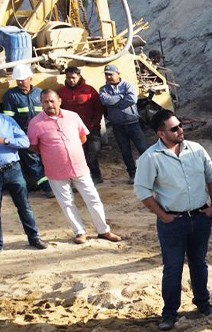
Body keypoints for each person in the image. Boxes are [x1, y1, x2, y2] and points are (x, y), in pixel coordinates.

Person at [134, 109, 212, 331]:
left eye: (180, 125)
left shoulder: (197, 150)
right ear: (161, 133)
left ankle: (203, 303)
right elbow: (142, 191)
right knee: (173, 267)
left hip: (201, 217)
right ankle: (169, 313)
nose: (180, 130)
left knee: (199, 262)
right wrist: (163, 216)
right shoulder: (150, 158)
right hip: (173, 222)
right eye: (174, 128)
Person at [27, 90, 122, 245]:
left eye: (52, 101)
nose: (49, 105)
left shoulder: (73, 117)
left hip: (79, 167)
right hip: (56, 170)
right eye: (45, 102)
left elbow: (82, 137)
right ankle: (79, 232)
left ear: (59, 101)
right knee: (67, 202)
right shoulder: (35, 123)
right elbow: (34, 147)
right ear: (41, 103)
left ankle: (103, 230)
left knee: (93, 198)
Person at [0, 114, 48, 250]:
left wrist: (6, 141)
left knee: (24, 206)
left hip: (13, 170)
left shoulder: (7, 121)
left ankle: (34, 238)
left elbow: (25, 142)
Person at [3, 64, 52, 197]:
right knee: (33, 161)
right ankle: (47, 188)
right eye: (18, 80)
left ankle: (46, 183)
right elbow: (8, 120)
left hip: (43, 133)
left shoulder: (39, 94)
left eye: (23, 79)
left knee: (47, 159)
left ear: (30, 78)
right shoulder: (11, 96)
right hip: (24, 135)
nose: (20, 82)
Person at [99, 64, 147, 182]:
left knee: (143, 149)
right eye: (106, 74)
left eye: (111, 74)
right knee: (125, 152)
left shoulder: (128, 85)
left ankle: (153, 172)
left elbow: (132, 99)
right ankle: (132, 174)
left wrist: (115, 102)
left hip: (133, 123)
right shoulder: (104, 89)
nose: (108, 77)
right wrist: (121, 96)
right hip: (118, 126)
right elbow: (105, 100)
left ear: (118, 74)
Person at [59, 66, 105, 183]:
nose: (71, 80)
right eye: (68, 78)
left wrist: (95, 122)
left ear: (79, 76)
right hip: (72, 131)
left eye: (73, 77)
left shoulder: (89, 90)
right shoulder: (62, 93)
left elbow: (98, 108)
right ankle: (83, 178)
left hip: (91, 128)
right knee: (78, 155)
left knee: (92, 152)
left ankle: (96, 176)